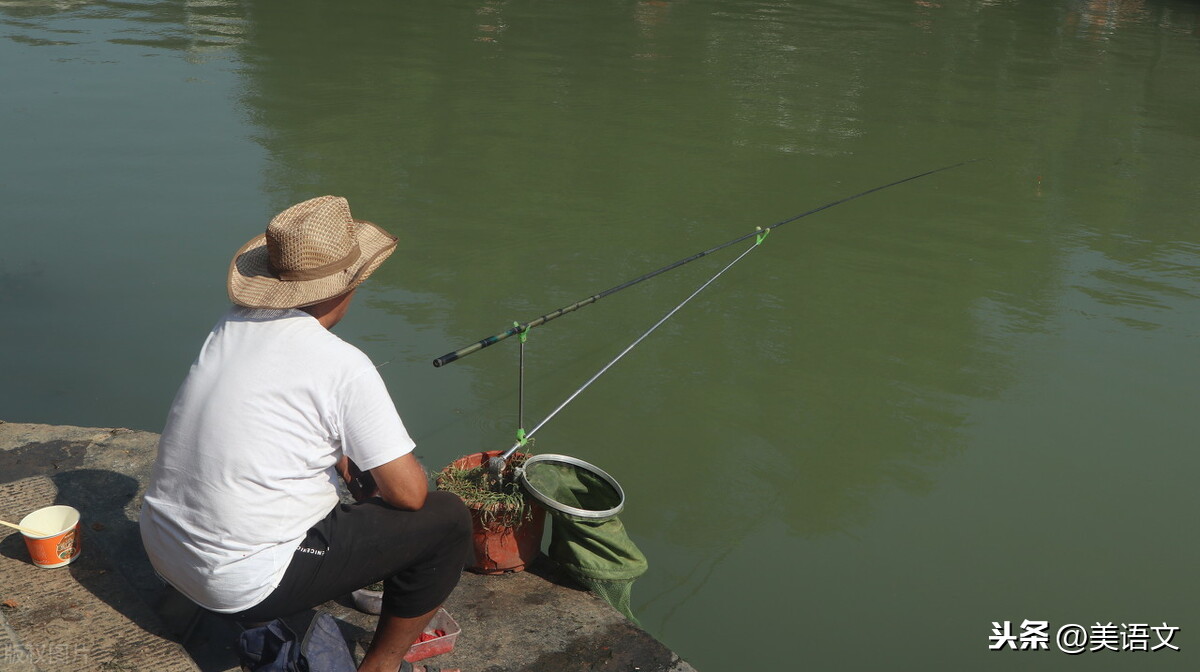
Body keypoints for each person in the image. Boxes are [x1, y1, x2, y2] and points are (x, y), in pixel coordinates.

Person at [140, 195, 470, 672]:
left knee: (341, 473)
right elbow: (410, 494)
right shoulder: (342, 364)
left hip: (162, 548)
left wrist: (337, 452)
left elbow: (270, 416)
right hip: (240, 584)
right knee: (448, 520)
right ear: (346, 288)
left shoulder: (229, 325)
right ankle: (381, 665)